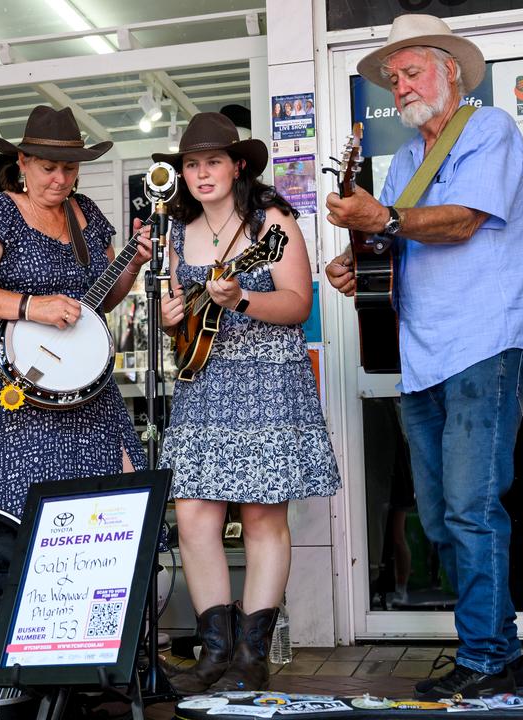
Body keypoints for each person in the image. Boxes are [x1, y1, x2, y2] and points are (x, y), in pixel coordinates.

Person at [324, 14, 523, 700]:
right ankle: (504, 657)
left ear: (450, 72)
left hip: (488, 340)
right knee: (439, 516)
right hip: (424, 352)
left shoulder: (490, 130)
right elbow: (398, 239)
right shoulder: (404, 161)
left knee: (470, 505)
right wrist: (359, 263)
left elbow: (462, 221)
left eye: (412, 71)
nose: (400, 86)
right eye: (392, 77)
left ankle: (484, 657)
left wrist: (383, 220)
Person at [154, 112, 341, 693]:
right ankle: (214, 652)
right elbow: (180, 318)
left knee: (262, 515)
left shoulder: (271, 222)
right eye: (191, 164)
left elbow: (298, 304)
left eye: (213, 161)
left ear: (238, 166)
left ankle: (251, 656)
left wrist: (239, 301)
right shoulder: (176, 232)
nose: (201, 173)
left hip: (267, 379)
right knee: (193, 515)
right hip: (203, 381)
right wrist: (170, 318)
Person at [0, 105, 152, 517]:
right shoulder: (2, 212)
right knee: (30, 503)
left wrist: (134, 264)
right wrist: (31, 306)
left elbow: (102, 301)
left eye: (70, 169)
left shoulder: (86, 212)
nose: (60, 179)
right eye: (49, 168)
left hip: (87, 383)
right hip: (20, 387)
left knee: (120, 496)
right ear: (23, 162)